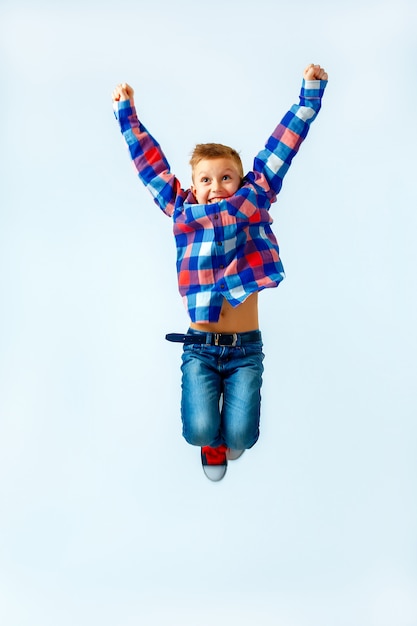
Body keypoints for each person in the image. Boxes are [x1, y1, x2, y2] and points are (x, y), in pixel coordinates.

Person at [112, 63, 328, 481]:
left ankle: (231, 438)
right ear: (192, 186)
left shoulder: (253, 200)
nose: (216, 186)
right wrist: (128, 117)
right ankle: (211, 441)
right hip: (200, 347)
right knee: (198, 432)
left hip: (246, 349)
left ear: (241, 179)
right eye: (206, 179)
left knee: (243, 436)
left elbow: (281, 149)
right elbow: (151, 168)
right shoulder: (182, 211)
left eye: (226, 177)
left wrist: (309, 96)